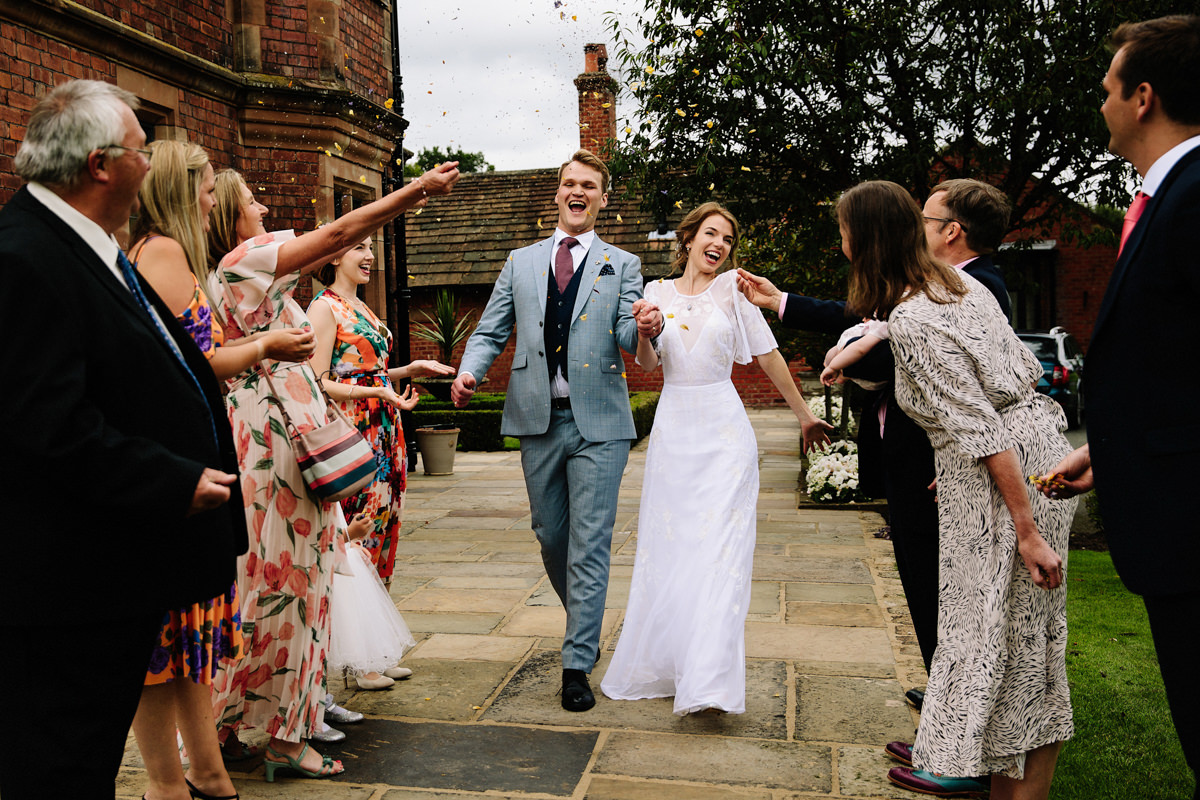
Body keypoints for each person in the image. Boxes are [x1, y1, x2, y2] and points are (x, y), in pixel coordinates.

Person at [0, 80, 244, 799]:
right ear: (102, 165)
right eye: (144, 150)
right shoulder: (24, 258)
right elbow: (45, 425)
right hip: (67, 593)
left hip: (110, 579)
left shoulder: (84, 246)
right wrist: (169, 481)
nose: (153, 165)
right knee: (57, 766)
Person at [205, 161, 459, 779]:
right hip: (285, 449)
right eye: (251, 201)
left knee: (263, 584)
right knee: (298, 587)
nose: (264, 210)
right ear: (228, 218)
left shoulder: (228, 278)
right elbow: (339, 232)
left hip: (264, 442)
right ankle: (287, 738)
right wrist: (415, 191)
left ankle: (239, 727)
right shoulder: (248, 258)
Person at [834, 181, 1075, 799]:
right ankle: (987, 769)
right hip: (1033, 446)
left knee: (987, 625)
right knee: (1025, 634)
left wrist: (1025, 530)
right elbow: (1003, 383)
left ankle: (964, 764)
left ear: (864, 240)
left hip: (1006, 470)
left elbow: (982, 427)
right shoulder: (956, 283)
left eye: (843, 231)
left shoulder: (915, 316)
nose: (841, 242)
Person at [736, 176, 1013, 702]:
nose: (917, 229)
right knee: (916, 573)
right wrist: (782, 302)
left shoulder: (979, 288)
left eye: (926, 220)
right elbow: (867, 319)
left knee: (943, 587)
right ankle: (941, 696)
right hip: (904, 452)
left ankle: (953, 711)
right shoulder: (925, 286)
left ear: (952, 231)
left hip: (938, 462)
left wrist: (857, 352)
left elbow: (938, 373)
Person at [1038, 16, 1200, 799]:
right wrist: (1105, 451)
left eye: (1108, 88)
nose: (1099, 103)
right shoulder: (1162, 197)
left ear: (1143, 97)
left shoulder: (1196, 198)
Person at [450, 149, 661, 712]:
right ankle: (585, 625)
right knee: (552, 537)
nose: (578, 192)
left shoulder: (623, 264)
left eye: (589, 186)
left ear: (602, 199)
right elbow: (490, 331)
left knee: (591, 543)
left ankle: (576, 663)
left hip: (602, 425)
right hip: (537, 420)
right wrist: (470, 371)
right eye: (570, 183)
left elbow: (628, 336)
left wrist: (646, 327)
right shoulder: (520, 261)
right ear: (558, 193)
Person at [599, 203, 829, 715]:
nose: (719, 243)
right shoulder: (655, 294)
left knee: (721, 555)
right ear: (688, 238)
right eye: (711, 233)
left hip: (726, 436)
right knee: (674, 551)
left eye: (727, 238)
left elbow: (768, 354)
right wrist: (645, 331)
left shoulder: (733, 290)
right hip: (676, 431)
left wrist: (804, 415)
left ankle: (709, 682)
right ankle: (673, 665)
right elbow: (648, 364)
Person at [307, 234, 454, 689]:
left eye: (371, 248)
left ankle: (376, 647)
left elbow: (369, 372)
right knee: (357, 538)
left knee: (384, 535)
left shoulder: (365, 309)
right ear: (334, 256)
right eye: (359, 248)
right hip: (353, 431)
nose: (370, 256)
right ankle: (356, 661)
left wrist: (407, 372)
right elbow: (316, 381)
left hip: (385, 430)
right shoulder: (324, 308)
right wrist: (375, 392)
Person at [820, 317, 889, 390]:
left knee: (840, 352)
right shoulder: (881, 325)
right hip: (874, 377)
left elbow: (859, 348)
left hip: (865, 370)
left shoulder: (882, 326)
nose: (863, 319)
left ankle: (842, 373)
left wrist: (833, 367)